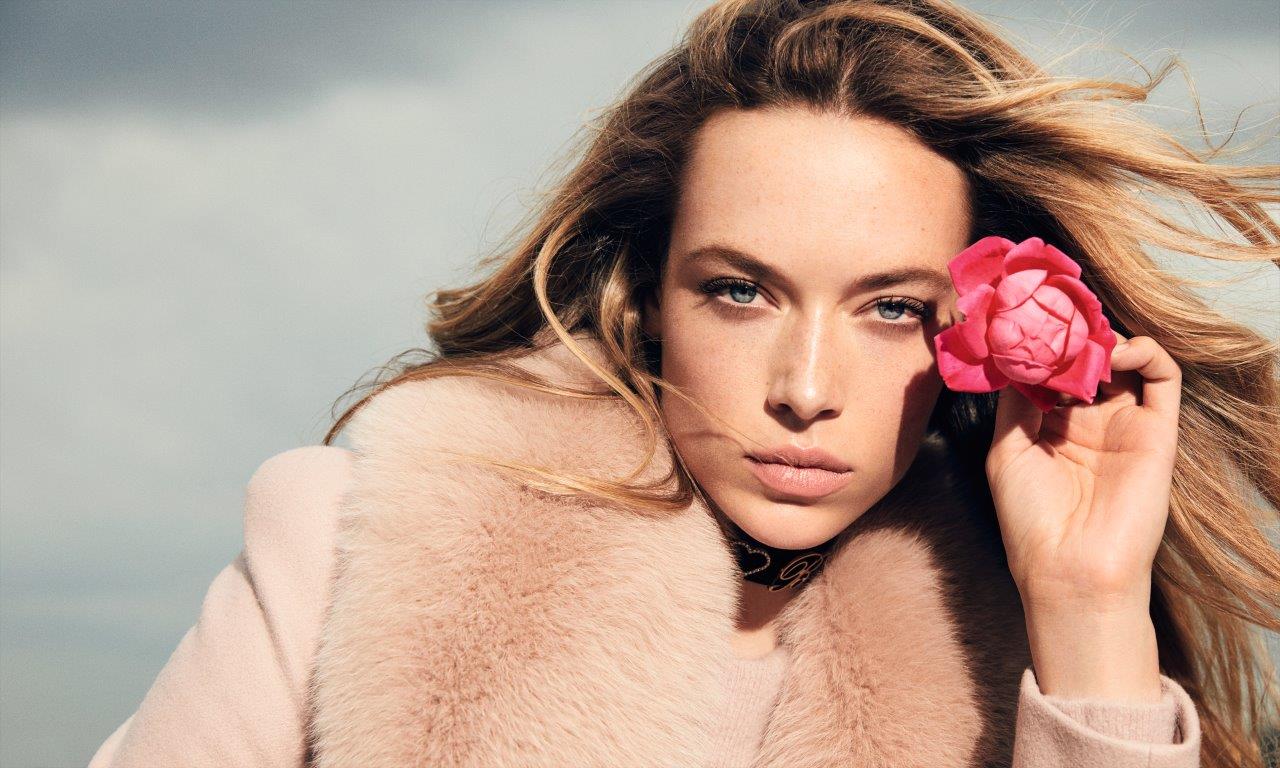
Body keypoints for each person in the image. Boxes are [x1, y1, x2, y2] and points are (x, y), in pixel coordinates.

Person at [88, 1, 1279, 766]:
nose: (803, 389)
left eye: (891, 309)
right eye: (740, 290)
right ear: (647, 294)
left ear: (968, 341)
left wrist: (1085, 610)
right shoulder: (359, 542)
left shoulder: (1017, 656)